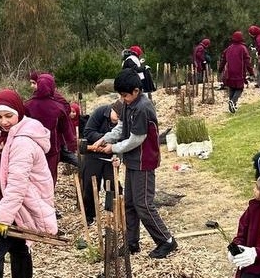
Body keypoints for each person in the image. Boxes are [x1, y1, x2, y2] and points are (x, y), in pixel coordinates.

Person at [91, 69, 177, 259]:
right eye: (121, 96)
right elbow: (121, 128)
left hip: (144, 160)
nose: (123, 99)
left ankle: (167, 241)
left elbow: (136, 139)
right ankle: (132, 242)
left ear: (137, 91)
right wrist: (104, 139)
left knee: (143, 204)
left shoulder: (143, 107)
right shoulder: (128, 103)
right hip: (132, 160)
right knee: (129, 203)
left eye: (125, 95)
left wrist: (113, 148)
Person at [0, 89, 57, 278]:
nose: (3, 121)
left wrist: (3, 217)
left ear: (19, 113)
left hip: (15, 209)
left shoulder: (22, 142)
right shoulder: (2, 135)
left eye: (8, 116)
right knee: (19, 248)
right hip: (8, 206)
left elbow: (17, 184)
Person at [25, 73, 77, 188]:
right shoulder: (58, 107)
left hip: (32, 146)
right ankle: (47, 198)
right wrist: (72, 144)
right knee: (49, 175)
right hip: (52, 147)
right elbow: (67, 129)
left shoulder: (27, 105)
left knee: (33, 175)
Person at [80, 100, 123, 225]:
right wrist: (105, 140)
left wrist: (118, 155)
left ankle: (113, 212)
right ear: (111, 109)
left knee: (112, 186)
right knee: (89, 186)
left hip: (111, 157)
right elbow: (88, 132)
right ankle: (90, 215)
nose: (118, 119)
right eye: (117, 115)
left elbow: (124, 140)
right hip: (93, 155)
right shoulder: (100, 112)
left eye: (121, 117)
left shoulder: (123, 121)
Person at [220, 31, 256, 114]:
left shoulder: (228, 48)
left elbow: (223, 60)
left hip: (229, 72)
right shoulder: (243, 48)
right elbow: (247, 62)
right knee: (239, 88)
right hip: (239, 72)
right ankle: (233, 101)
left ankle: (232, 104)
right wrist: (251, 73)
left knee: (232, 88)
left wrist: (220, 69)